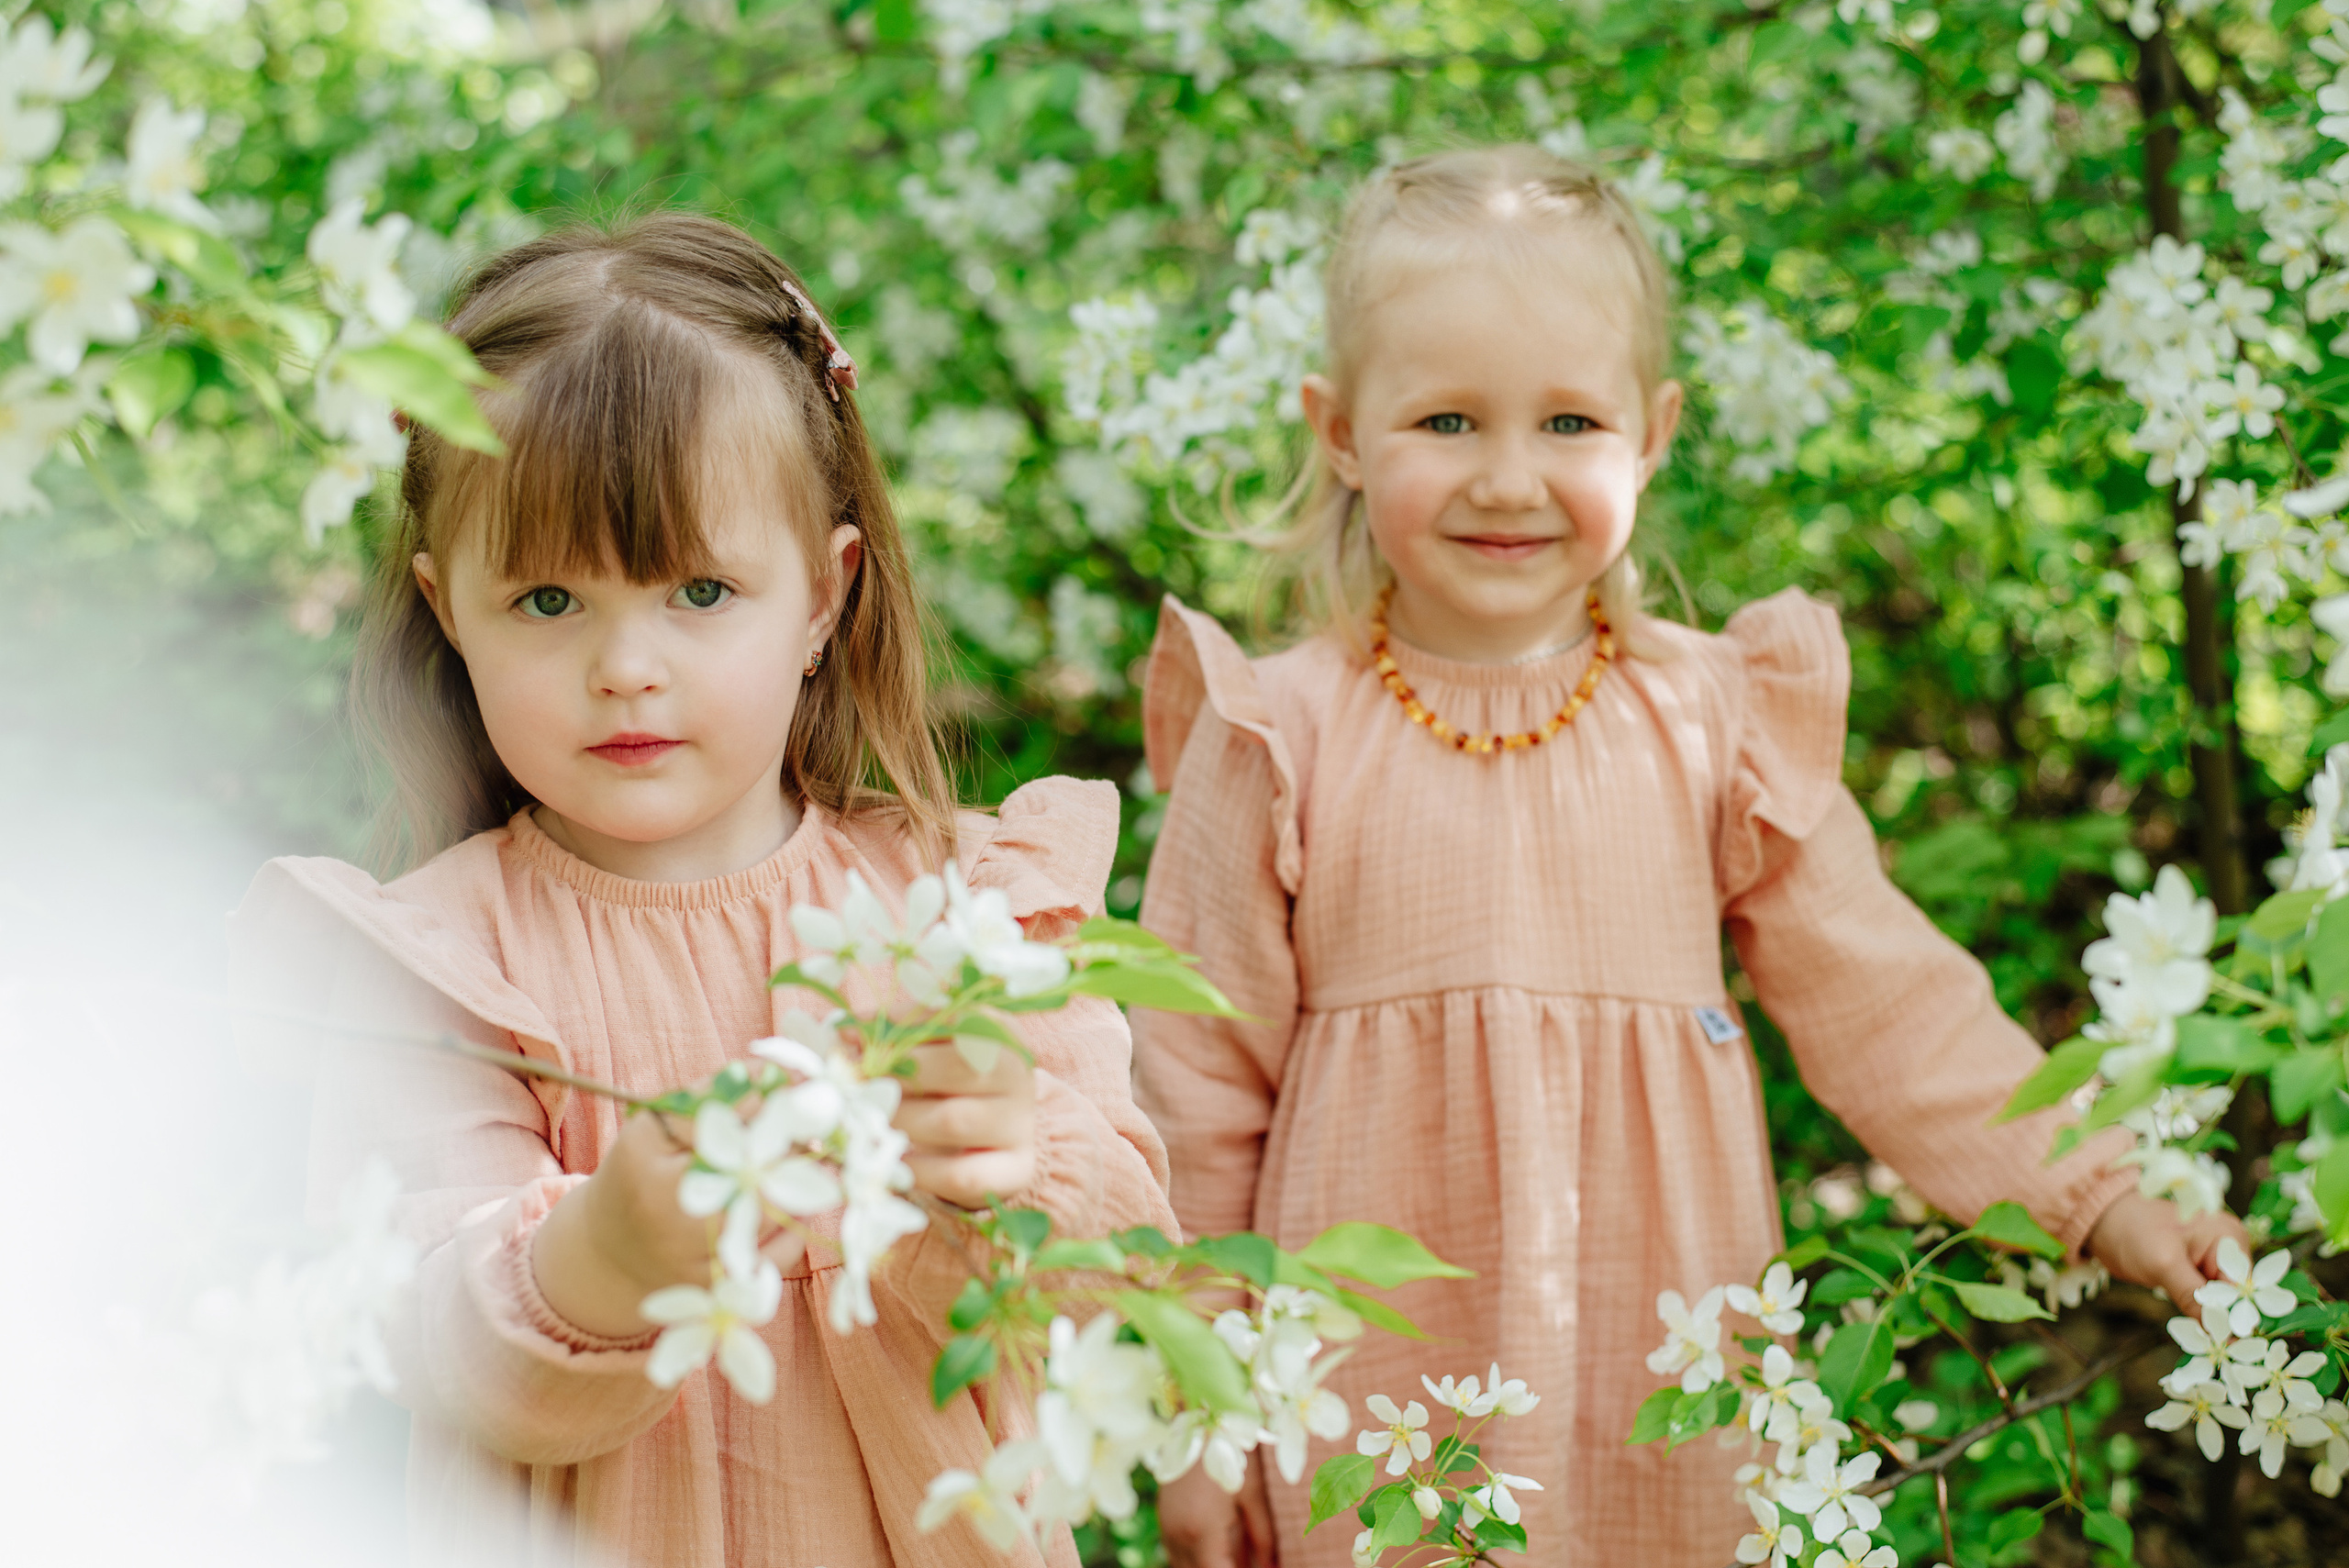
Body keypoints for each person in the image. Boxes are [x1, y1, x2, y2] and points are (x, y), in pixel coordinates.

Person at [1130, 145, 2246, 1568]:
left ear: (1651, 435)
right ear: (1341, 429)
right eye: (1449, 419)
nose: (1510, 477)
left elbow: (1887, 998)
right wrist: (1196, 1407)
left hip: (1664, 1340)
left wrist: (2106, 1194)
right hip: (1372, 1368)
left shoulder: (1714, 717)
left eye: (1570, 420)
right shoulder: (1279, 730)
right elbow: (1189, 1094)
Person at [230, 212, 1174, 1568]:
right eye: (549, 600)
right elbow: (427, 1336)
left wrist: (1012, 1163)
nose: (627, 665)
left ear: (820, 598)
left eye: (699, 589)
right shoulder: (435, 961)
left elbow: (1126, 1277)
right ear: (450, 610)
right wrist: (603, 1251)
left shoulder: (957, 908)